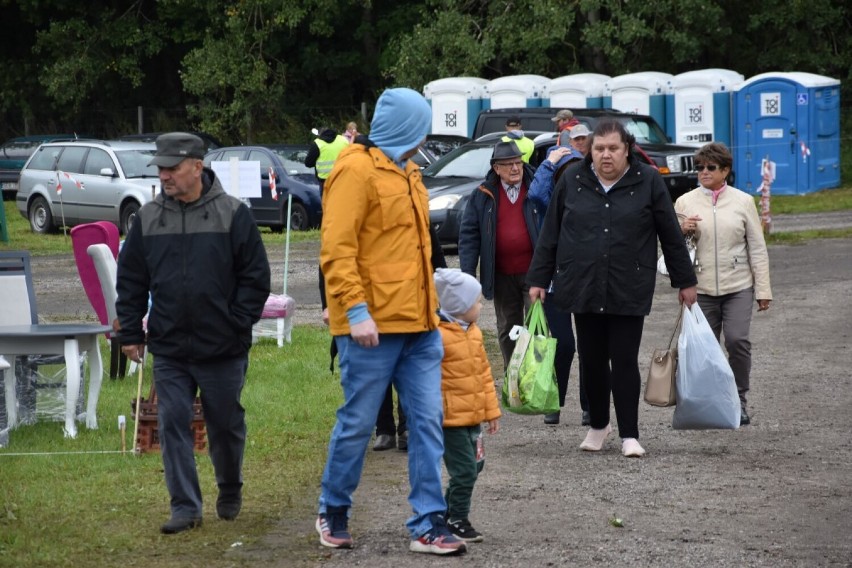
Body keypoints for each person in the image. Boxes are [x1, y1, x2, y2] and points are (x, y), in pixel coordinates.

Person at [316, 87, 466, 556]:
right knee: (358, 423)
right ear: (404, 126)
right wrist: (355, 311)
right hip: (371, 329)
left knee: (427, 422)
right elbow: (336, 250)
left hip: (420, 326)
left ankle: (428, 521)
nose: (424, 138)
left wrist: (438, 307)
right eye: (420, 127)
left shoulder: (411, 172)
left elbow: (420, 249)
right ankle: (333, 508)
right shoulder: (353, 171)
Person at [115, 132, 271, 534]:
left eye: (172, 167)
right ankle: (185, 507)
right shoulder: (148, 218)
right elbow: (131, 279)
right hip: (169, 346)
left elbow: (256, 278)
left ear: (197, 166)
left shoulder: (233, 214)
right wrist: (130, 331)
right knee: (172, 420)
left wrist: (236, 323)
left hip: (223, 346)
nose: (164, 175)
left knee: (224, 422)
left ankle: (229, 485)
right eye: (161, 168)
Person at [526, 120, 697, 458]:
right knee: (590, 360)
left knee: (623, 359)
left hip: (627, 284)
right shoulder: (572, 179)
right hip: (582, 283)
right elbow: (551, 233)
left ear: (627, 149)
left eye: (613, 148)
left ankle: (630, 434)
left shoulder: (648, 180)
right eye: (599, 148)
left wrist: (685, 281)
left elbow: (670, 233)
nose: (605, 155)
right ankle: (599, 425)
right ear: (590, 149)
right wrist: (538, 278)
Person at [674, 142, 772, 426]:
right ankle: (705, 403)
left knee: (737, 340)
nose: (704, 172)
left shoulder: (743, 201)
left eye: (710, 167)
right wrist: (681, 230)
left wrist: (763, 289)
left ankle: (739, 399)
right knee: (701, 348)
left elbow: (757, 247)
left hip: (738, 285)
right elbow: (672, 248)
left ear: (725, 170)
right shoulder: (684, 202)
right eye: (699, 167)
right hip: (699, 288)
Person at [459, 140, 541, 371]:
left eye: (518, 163)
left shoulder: (536, 187)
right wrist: (467, 274)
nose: (515, 168)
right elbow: (469, 235)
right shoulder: (482, 195)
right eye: (508, 164)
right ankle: (513, 376)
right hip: (502, 274)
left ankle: (535, 379)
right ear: (496, 168)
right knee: (507, 328)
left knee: (537, 327)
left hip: (534, 273)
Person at [433, 268, 501, 544]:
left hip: (473, 416)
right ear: (459, 307)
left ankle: (446, 513)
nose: (480, 306)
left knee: (477, 465)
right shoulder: (437, 335)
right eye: (475, 302)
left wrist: (491, 411)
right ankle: (458, 518)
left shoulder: (473, 333)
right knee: (464, 471)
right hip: (450, 420)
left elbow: (484, 374)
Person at [527, 140, 589, 425]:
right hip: (554, 285)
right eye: (564, 172)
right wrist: (549, 161)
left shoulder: (593, 199)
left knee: (592, 347)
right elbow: (535, 192)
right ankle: (554, 400)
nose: (571, 176)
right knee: (564, 345)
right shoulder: (548, 203)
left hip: (588, 283)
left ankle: (591, 405)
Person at [304, 126, 348, 194]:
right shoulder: (343, 140)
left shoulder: (317, 144)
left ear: (320, 135)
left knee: (326, 203)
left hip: (325, 181)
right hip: (341, 178)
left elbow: (308, 163)